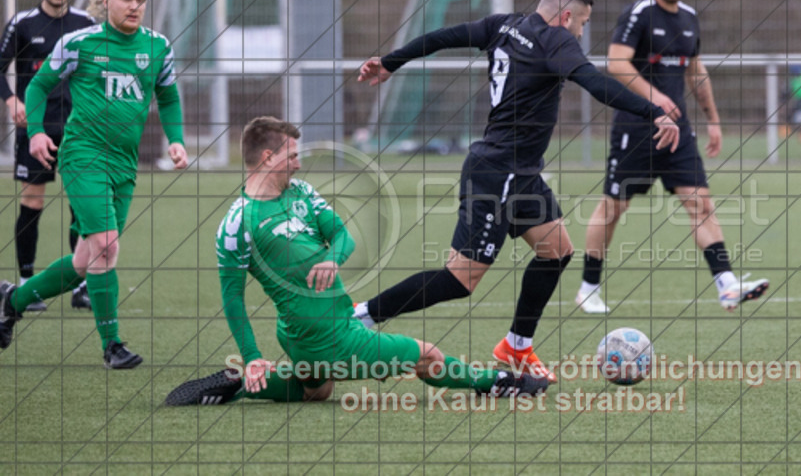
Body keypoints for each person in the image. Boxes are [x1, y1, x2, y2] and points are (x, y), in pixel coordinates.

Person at [352, 0, 680, 382]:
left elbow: (443, 36)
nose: (581, 31)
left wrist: (392, 61)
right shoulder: (556, 40)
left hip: (520, 173)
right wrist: (655, 112)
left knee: (556, 251)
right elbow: (596, 84)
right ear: (564, 17)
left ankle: (516, 346)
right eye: (582, 22)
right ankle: (361, 315)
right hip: (498, 173)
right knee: (460, 279)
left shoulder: (503, 25)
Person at [164, 117, 548, 406]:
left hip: (317, 330)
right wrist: (252, 357)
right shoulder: (236, 224)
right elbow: (232, 298)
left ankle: (244, 384)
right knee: (426, 355)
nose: (298, 164)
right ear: (267, 157)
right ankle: (496, 383)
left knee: (318, 390)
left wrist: (332, 259)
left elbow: (343, 236)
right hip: (327, 337)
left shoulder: (300, 191)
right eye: (292, 156)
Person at [0, 0, 188, 369]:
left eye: (141, 0)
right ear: (106, 1)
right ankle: (112, 345)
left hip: (124, 163)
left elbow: (169, 97)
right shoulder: (79, 42)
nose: (135, 7)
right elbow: (38, 86)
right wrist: (35, 133)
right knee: (107, 244)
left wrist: (176, 140)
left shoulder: (157, 47)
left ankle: (11, 300)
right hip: (83, 154)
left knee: (87, 261)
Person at [573, 0, 769, 315]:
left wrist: (712, 119)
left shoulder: (690, 18)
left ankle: (726, 284)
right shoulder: (638, 15)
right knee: (613, 209)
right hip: (637, 130)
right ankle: (588, 287)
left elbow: (695, 71)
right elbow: (616, 64)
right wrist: (655, 99)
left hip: (678, 133)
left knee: (701, 204)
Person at [0, 0, 95, 312]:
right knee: (32, 203)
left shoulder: (85, 23)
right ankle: (26, 281)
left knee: (81, 207)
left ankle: (80, 285)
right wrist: (11, 101)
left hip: (78, 129)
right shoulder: (23, 23)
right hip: (36, 130)